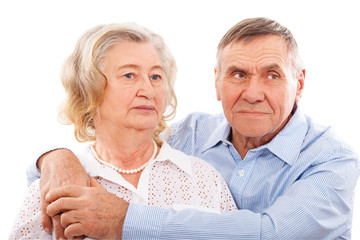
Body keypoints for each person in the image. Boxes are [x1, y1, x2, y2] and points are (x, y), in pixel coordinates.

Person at [28, 17, 358, 239]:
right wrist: (54, 158)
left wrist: (124, 220)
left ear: (299, 83)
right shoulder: (192, 134)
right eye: (238, 74)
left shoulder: (332, 159)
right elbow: (120, 139)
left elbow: (269, 234)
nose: (253, 94)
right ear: (216, 83)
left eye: (273, 75)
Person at [9, 23, 237, 239]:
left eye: (156, 76)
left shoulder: (205, 180)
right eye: (129, 75)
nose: (148, 90)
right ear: (89, 88)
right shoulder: (54, 187)